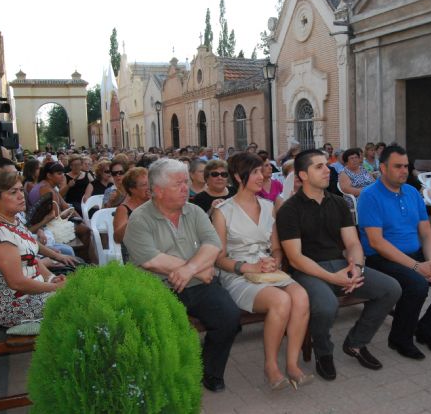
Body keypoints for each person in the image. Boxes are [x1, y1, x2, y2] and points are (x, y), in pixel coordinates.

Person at [277, 149, 401, 381]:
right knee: (326, 306)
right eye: (319, 166)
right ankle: (323, 352)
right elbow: (295, 258)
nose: (328, 170)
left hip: (342, 265)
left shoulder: (339, 203)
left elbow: (353, 242)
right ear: (302, 175)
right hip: (308, 271)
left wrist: (357, 267)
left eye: (326, 165)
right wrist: (334, 278)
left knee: (391, 289)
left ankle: (356, 343)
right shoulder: (289, 210)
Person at [124, 159, 241, 392]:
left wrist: (190, 270)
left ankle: (210, 371)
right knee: (164, 330)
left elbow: (212, 244)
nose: (185, 187)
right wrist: (200, 267)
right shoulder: (139, 219)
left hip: (197, 282)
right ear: (157, 191)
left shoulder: (194, 211)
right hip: (158, 286)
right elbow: (152, 261)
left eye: (185, 182)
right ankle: (167, 378)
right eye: (178, 184)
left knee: (229, 318)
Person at [359, 145, 431, 360]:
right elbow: (377, 242)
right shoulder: (369, 196)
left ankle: (427, 330)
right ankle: (400, 339)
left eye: (406, 166)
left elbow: (427, 232)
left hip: (416, 255)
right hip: (381, 259)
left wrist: (429, 263)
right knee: (417, 284)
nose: (404, 170)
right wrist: (416, 268)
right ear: (383, 168)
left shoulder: (411, 192)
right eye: (397, 166)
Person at [213, 152, 311, 389]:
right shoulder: (223, 211)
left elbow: (276, 248)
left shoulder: (269, 207)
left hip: (267, 270)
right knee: (280, 301)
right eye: (255, 172)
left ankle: (292, 364)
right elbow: (218, 258)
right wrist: (249, 267)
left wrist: (274, 262)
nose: (262, 175)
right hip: (237, 274)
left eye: (262, 170)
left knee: (301, 297)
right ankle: (271, 367)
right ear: (238, 176)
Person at [0, 168, 66, 328]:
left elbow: (31, 259)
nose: (21, 196)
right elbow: (17, 283)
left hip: (29, 294)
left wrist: (51, 278)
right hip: (13, 306)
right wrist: (55, 287)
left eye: (21, 190)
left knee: (84, 291)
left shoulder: (12, 221)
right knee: (83, 301)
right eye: (13, 192)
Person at [113, 167, 151, 263]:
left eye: (150, 183)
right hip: (135, 255)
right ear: (132, 189)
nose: (149, 188)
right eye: (144, 185)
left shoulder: (156, 204)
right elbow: (117, 238)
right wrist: (137, 216)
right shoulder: (123, 209)